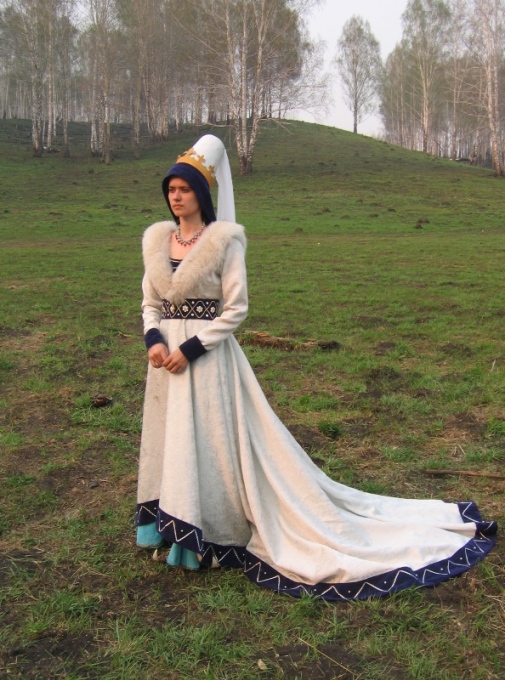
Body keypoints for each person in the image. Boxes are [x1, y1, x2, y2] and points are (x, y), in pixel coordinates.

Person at [136, 134, 497, 601]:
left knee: (207, 444)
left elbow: (236, 308)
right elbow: (150, 302)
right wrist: (154, 339)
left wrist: (191, 348)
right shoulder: (157, 241)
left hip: (205, 362)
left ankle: (205, 535)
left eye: (184, 189)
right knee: (170, 440)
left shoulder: (224, 241)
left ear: (201, 194)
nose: (176, 196)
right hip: (164, 365)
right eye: (171, 189)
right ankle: (169, 526)